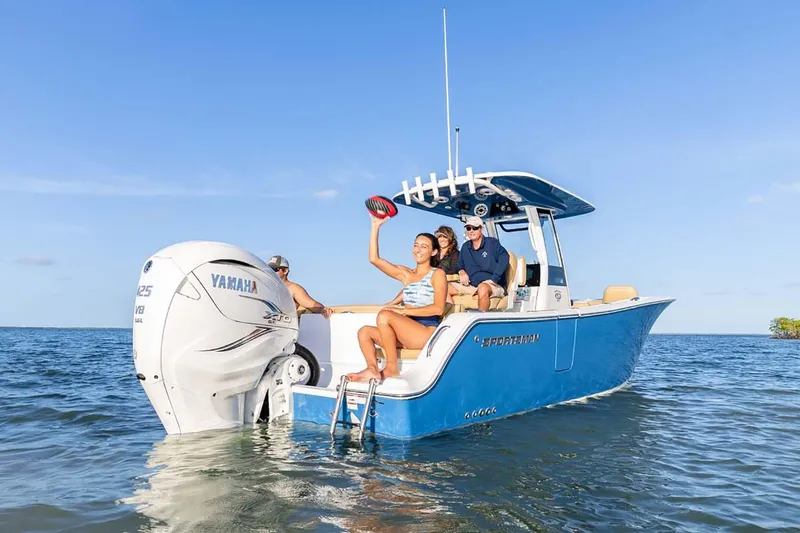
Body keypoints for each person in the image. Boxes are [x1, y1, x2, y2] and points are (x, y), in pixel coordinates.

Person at [346, 214, 448, 383]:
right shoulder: (405, 274)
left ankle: (391, 368)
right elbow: (374, 259)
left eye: (424, 247)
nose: (418, 250)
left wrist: (403, 310)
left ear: (434, 252)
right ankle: (372, 369)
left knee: (385, 315)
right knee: (365, 332)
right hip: (406, 332)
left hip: (426, 332)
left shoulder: (437, 274)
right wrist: (375, 226)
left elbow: (438, 308)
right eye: (416, 245)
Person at [450, 215, 510, 311]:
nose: (471, 231)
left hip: (492, 285)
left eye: (475, 228)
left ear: (481, 229)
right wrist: (461, 271)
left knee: (482, 288)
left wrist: (494, 279)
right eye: (468, 228)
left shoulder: (492, 243)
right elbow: (460, 265)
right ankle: (452, 316)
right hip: (472, 286)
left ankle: (481, 318)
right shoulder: (465, 247)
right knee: (443, 287)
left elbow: (504, 257)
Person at [267, 255, 332, 318]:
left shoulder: (293, 289)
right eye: (269, 269)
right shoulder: (265, 286)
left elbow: (312, 304)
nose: (271, 272)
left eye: (275, 269)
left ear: (285, 271)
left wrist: (323, 310)